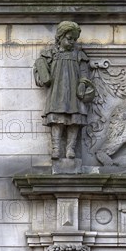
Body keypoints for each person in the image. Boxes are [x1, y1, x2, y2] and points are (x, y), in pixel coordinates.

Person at [34, 21, 95, 160]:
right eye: (69, 38)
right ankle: (56, 148)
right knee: (57, 119)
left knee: (75, 119)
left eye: (74, 39)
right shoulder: (50, 54)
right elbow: (42, 73)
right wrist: (41, 72)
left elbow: (84, 73)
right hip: (57, 92)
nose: (72, 42)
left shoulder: (79, 55)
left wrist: (83, 84)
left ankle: (70, 148)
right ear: (60, 37)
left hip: (74, 93)